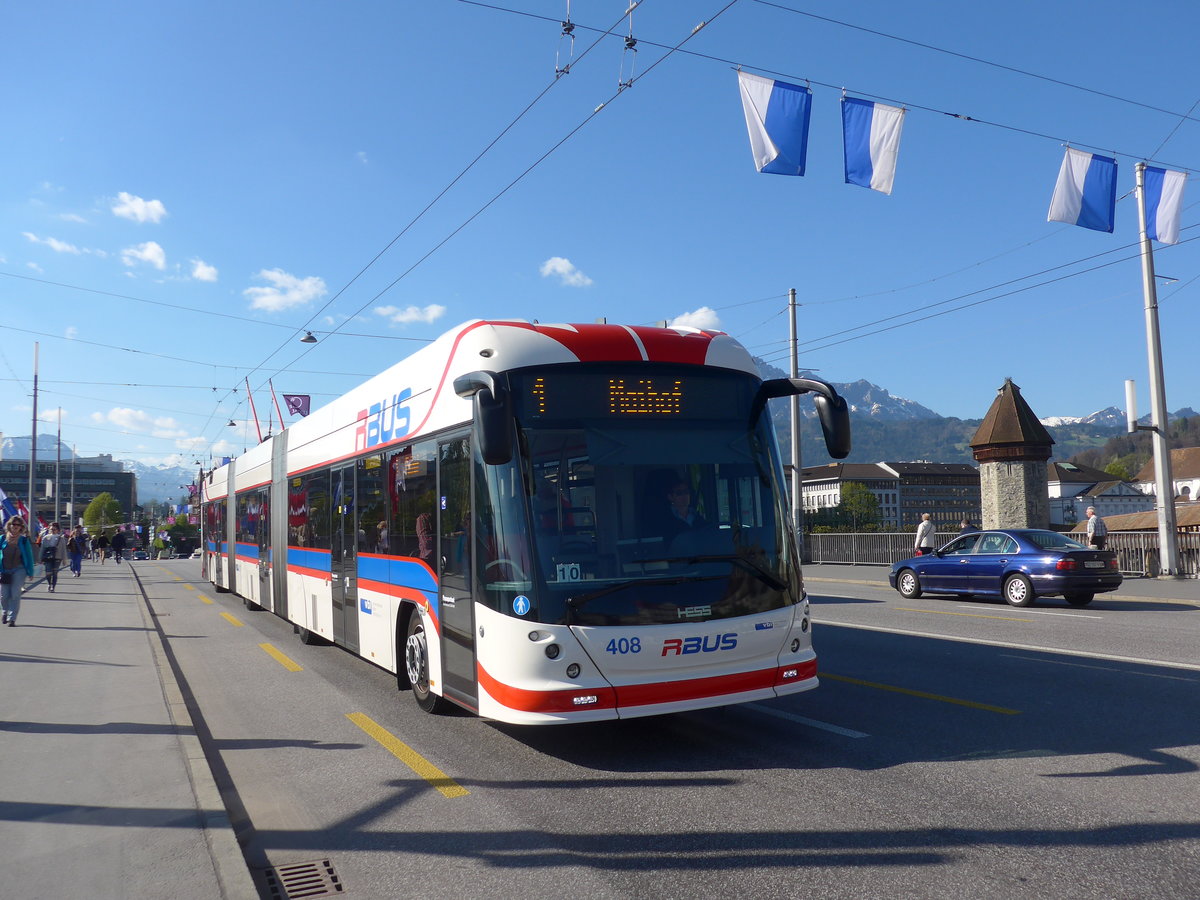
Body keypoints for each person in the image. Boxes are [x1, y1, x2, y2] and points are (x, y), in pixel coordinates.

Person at [1, 517, 36, 626]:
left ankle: (12, 618)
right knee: (3, 595)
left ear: (21, 528)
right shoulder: (2, 538)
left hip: (19, 569)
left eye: (18, 525)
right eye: (13, 524)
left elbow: (29, 557)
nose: (16, 526)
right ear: (9, 525)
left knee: (15, 593)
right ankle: (5, 612)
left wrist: (31, 572)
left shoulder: (23, 540)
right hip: (4, 569)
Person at [39, 522, 68, 592]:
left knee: (55, 572)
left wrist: (64, 560)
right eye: (51, 529)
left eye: (54, 529)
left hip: (57, 557)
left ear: (58, 530)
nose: (52, 530)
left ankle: (53, 586)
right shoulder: (45, 538)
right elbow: (42, 548)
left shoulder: (61, 538)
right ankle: (49, 583)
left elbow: (63, 549)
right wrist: (40, 558)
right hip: (48, 557)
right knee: (48, 572)